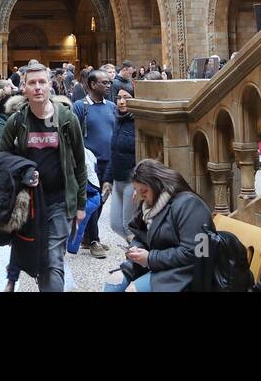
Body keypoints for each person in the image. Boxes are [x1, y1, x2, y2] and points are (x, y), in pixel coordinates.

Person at [0, 62, 87, 292]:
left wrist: (81, 204)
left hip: (59, 201)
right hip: (28, 203)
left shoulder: (67, 120)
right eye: (32, 83)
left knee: (53, 260)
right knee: (32, 250)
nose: (37, 87)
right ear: (24, 88)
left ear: (50, 86)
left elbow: (80, 164)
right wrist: (23, 173)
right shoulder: (16, 122)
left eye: (42, 82)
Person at [104, 159, 213, 293]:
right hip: (159, 265)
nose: (140, 196)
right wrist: (136, 249)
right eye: (137, 191)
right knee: (113, 282)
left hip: (186, 272)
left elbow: (198, 253)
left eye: (144, 191)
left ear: (157, 184)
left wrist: (150, 258)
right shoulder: (148, 205)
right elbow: (140, 236)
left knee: (133, 290)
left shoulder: (190, 205)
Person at [72, 69, 115, 259]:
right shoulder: (80, 107)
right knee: (93, 201)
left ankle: (87, 238)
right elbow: (74, 135)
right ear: (92, 85)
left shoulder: (112, 106)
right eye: (104, 82)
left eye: (109, 82)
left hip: (108, 163)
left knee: (101, 201)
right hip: (90, 165)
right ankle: (94, 240)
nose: (108, 85)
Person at [106, 85, 136, 241]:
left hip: (133, 181)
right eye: (119, 98)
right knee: (116, 225)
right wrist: (107, 179)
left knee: (128, 226)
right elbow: (114, 150)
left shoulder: (139, 120)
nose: (121, 102)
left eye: (126, 98)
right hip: (118, 179)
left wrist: (141, 183)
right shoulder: (118, 119)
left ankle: (137, 259)